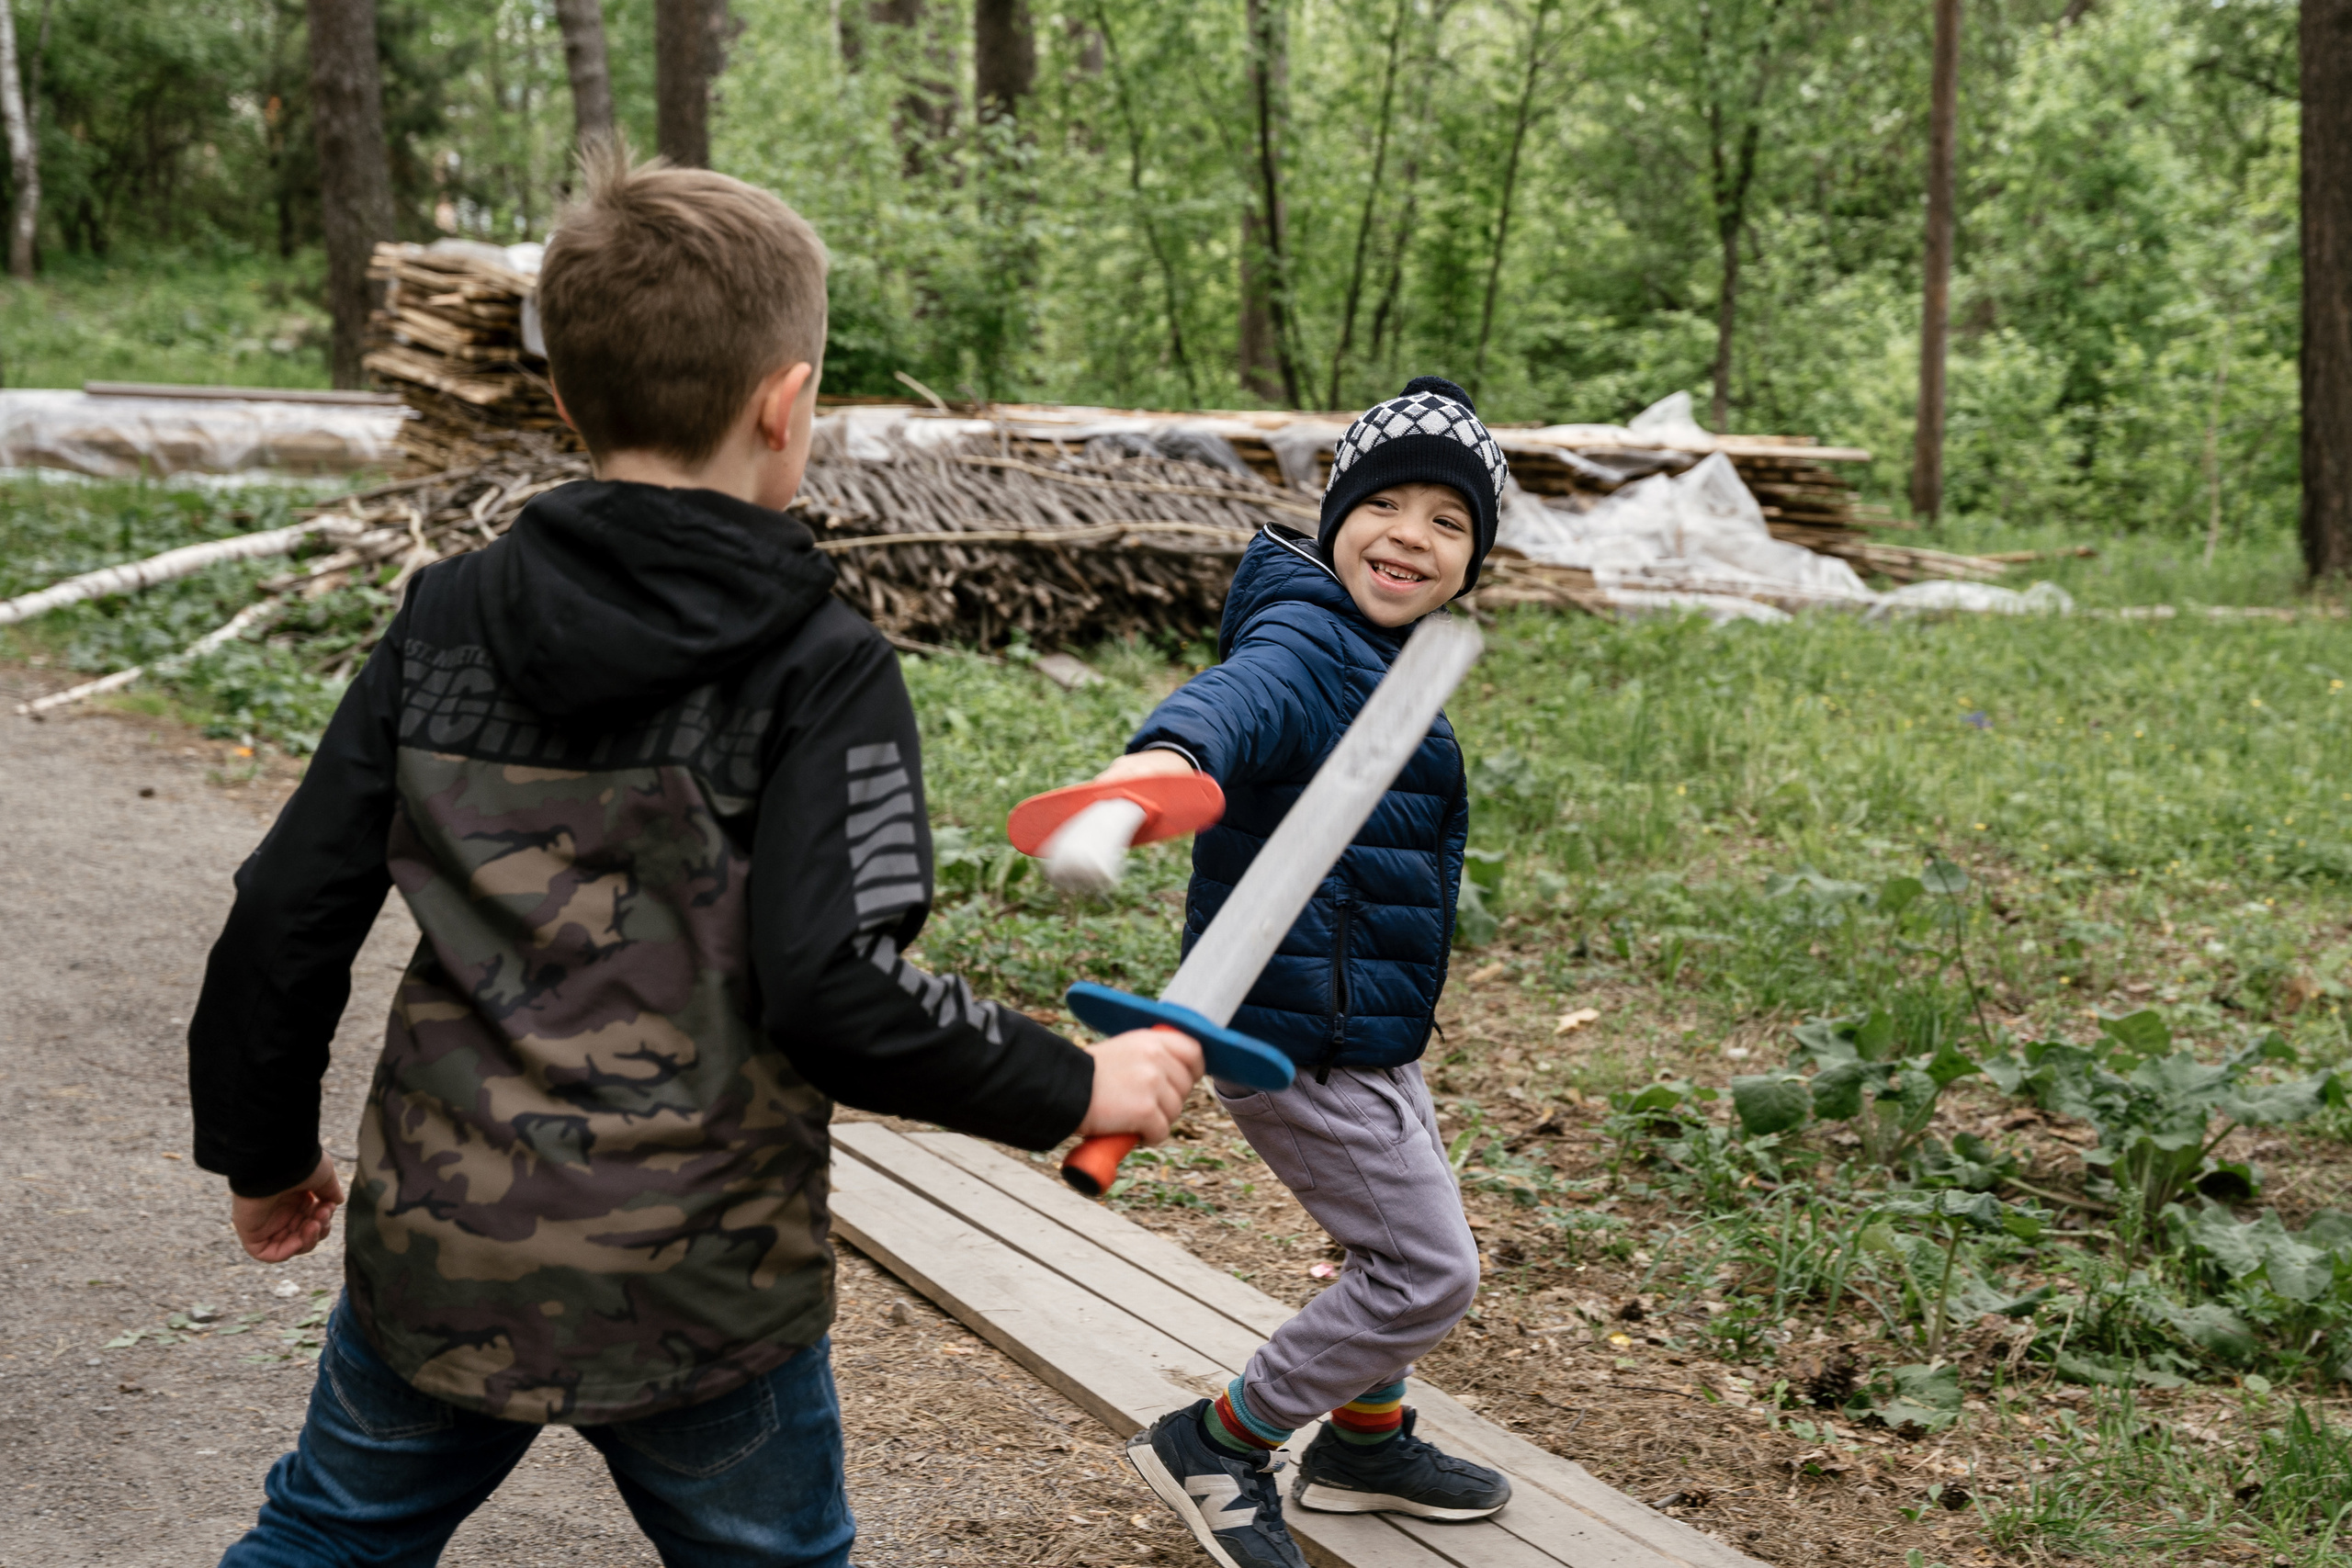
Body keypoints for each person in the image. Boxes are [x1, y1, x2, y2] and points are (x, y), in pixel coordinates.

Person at [185, 143, 1199, 1568]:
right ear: (787, 405)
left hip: (446, 1257)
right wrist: (1077, 1082)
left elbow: (287, 907)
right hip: (702, 1293)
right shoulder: (821, 668)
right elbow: (835, 989)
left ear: (562, 400)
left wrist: (263, 1152)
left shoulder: (443, 626)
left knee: (324, 1545)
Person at [1102, 378, 1516, 1568]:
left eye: (1449, 521)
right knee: (1428, 1271)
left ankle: (1366, 1444)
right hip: (1292, 1038)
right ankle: (1219, 1440)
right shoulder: (1306, 640)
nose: (1412, 537)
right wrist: (1166, 760)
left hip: (1359, 1027)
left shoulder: (1388, 656)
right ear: (1337, 514)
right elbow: (1239, 701)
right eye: (1387, 505)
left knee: (1391, 1246)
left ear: (1473, 558)